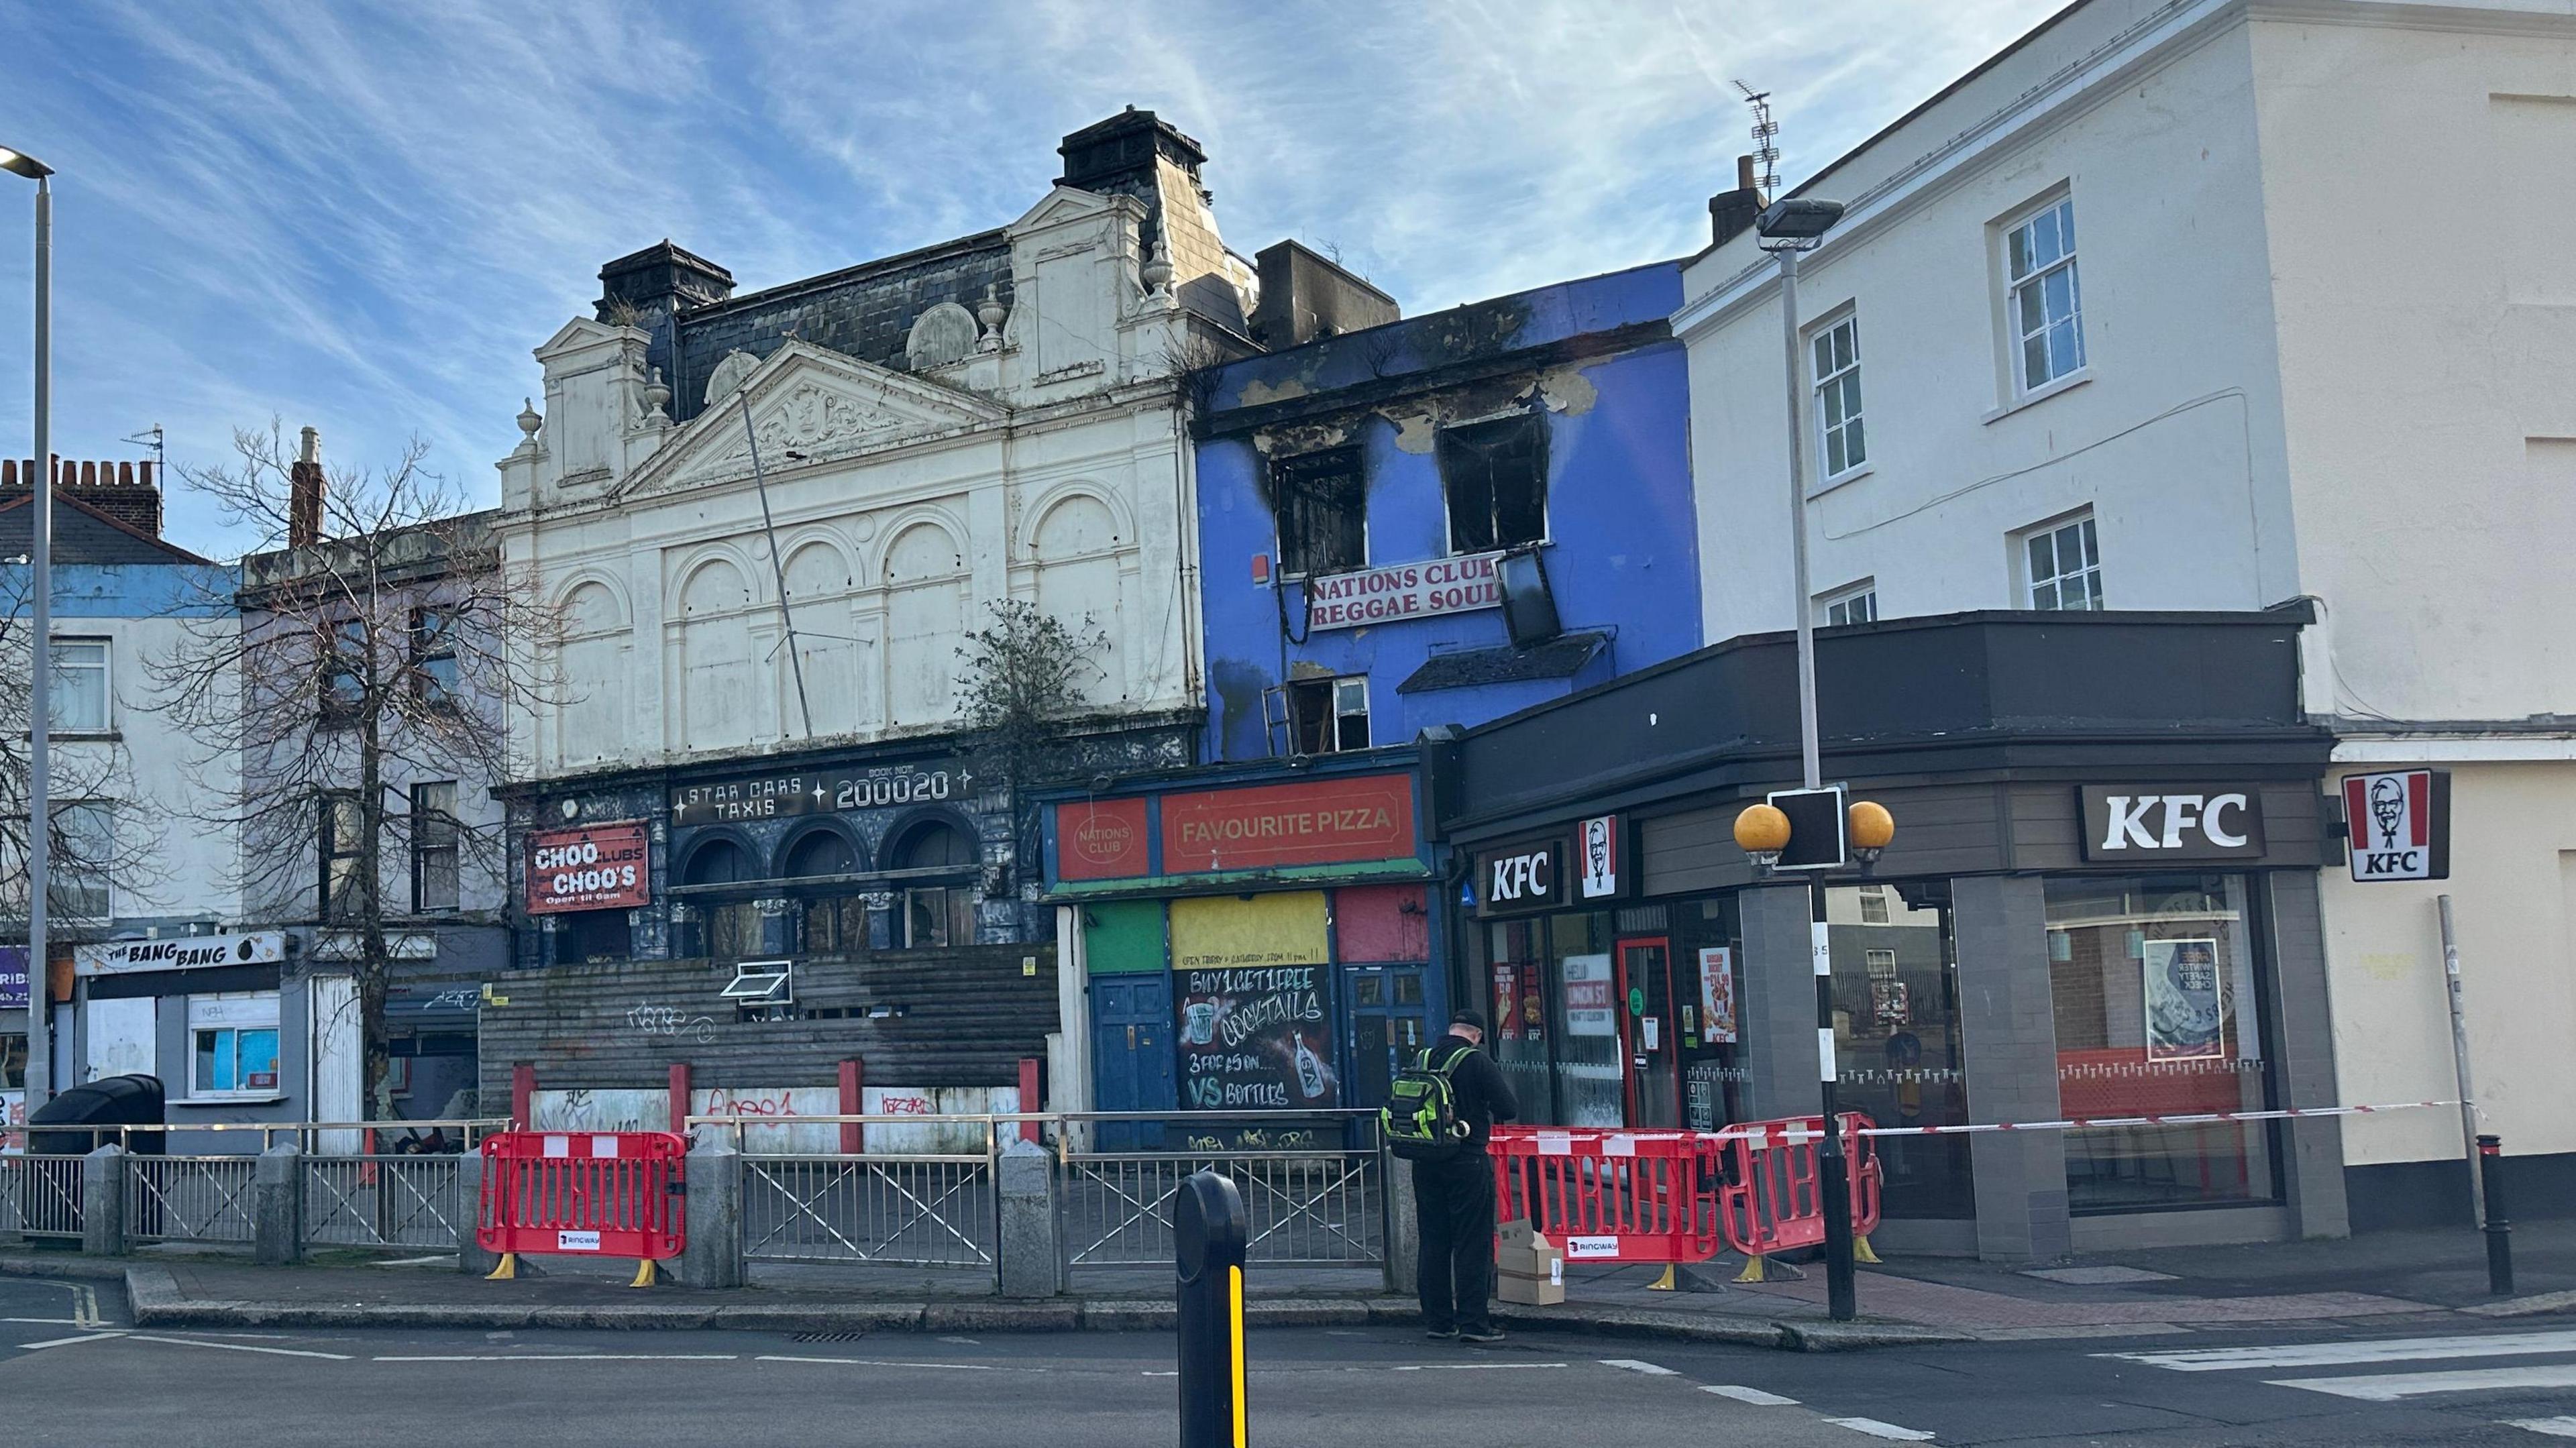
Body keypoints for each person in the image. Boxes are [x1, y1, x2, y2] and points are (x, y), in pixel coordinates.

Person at [1413, 1007, 1519, 1343]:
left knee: (1433, 1240)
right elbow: (1508, 1108)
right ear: (1475, 1036)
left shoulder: (1423, 1058)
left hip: (1425, 1161)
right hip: (1467, 1161)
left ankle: (1438, 1320)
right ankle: (1473, 1323)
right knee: (1472, 1243)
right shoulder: (1476, 1061)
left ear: (1451, 1029)